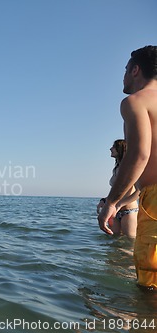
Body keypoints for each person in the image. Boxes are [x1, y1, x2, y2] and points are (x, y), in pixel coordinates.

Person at [98, 45, 157, 289]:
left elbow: (139, 155)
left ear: (135, 70)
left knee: (149, 281)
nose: (122, 76)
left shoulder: (135, 102)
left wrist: (112, 202)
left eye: (124, 70)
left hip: (154, 198)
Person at [97, 139, 139, 238]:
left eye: (114, 147)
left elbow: (138, 191)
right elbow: (116, 191)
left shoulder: (131, 168)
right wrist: (104, 200)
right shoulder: (116, 168)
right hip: (115, 211)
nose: (110, 148)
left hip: (129, 211)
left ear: (121, 149)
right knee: (114, 243)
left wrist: (120, 204)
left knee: (130, 243)